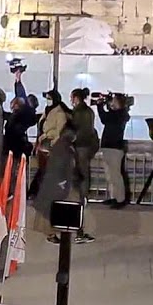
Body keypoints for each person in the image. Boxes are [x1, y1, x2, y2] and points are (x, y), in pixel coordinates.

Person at [34, 123, 77, 245]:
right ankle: (54, 232)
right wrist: (63, 181)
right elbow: (66, 167)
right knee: (56, 208)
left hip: (53, 181)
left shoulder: (58, 145)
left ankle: (54, 231)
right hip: (59, 182)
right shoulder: (66, 149)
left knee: (50, 208)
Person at [67, 89, 99, 243]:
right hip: (86, 149)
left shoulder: (77, 114)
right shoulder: (89, 112)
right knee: (82, 183)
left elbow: (77, 132)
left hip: (79, 150)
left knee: (76, 187)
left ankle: (75, 230)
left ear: (75, 98)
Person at [97, 94, 131, 208]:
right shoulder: (115, 114)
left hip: (115, 148)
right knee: (109, 175)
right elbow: (106, 118)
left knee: (116, 175)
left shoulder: (121, 114)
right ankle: (113, 197)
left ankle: (120, 199)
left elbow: (105, 119)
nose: (112, 102)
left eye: (114, 101)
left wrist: (100, 106)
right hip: (108, 146)